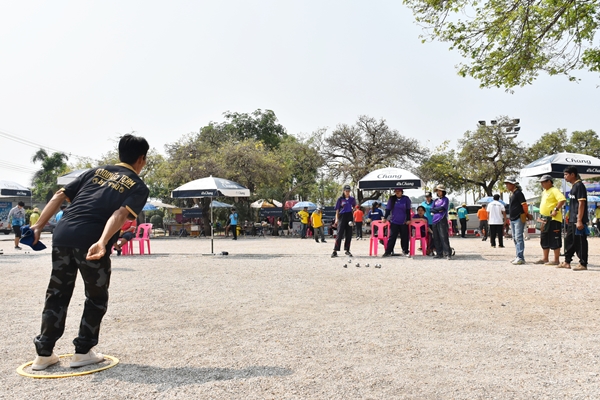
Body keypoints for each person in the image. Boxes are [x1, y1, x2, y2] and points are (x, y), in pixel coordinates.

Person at [28, 134, 149, 371]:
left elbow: (59, 195)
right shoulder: (137, 185)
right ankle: (83, 351)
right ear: (141, 159)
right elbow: (120, 214)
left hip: (63, 234)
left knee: (57, 293)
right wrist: (102, 241)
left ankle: (44, 353)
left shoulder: (96, 172)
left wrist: (38, 226)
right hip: (91, 239)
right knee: (96, 296)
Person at [559, 166, 588, 270]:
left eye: (566, 174)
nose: (565, 177)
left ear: (573, 175)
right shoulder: (573, 187)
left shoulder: (579, 185)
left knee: (580, 242)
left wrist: (579, 220)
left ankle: (583, 263)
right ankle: (567, 262)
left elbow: (581, 203)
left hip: (578, 219)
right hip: (572, 219)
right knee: (569, 241)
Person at [533, 174, 566, 266]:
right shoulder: (544, 191)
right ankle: (545, 258)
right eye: (541, 182)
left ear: (549, 182)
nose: (542, 184)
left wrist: (556, 209)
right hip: (544, 219)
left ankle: (556, 259)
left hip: (553, 219)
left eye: (543, 182)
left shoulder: (554, 190)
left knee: (555, 238)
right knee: (544, 238)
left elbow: (562, 200)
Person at [504, 177, 528, 265]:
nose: (507, 185)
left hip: (518, 217)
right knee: (515, 238)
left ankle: (520, 257)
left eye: (508, 184)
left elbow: (524, 205)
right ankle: (518, 255)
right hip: (513, 218)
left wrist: (526, 214)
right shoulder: (512, 194)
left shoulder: (518, 193)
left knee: (518, 237)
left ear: (513, 184)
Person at [382, 188, 411, 257]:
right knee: (392, 237)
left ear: (402, 192)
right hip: (394, 221)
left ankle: (405, 251)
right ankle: (388, 251)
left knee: (404, 237)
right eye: (396, 191)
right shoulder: (392, 199)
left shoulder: (406, 199)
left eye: (399, 191)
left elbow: (408, 209)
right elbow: (388, 209)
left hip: (403, 221)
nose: (397, 192)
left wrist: (408, 219)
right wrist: (385, 217)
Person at [331, 185, 356, 258]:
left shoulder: (352, 199)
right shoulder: (340, 199)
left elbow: (354, 206)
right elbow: (337, 210)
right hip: (342, 216)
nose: (347, 192)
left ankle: (347, 250)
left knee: (349, 234)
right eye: (346, 191)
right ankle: (335, 250)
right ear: (344, 191)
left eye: (348, 191)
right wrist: (336, 219)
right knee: (339, 233)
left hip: (349, 216)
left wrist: (353, 210)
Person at [431, 185, 452, 260]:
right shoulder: (435, 200)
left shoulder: (445, 199)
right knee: (436, 237)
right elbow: (431, 209)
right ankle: (439, 253)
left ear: (443, 192)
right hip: (434, 220)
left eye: (440, 191)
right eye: (438, 191)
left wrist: (436, 209)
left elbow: (443, 207)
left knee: (443, 237)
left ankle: (447, 253)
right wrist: (438, 210)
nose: (439, 192)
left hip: (442, 219)